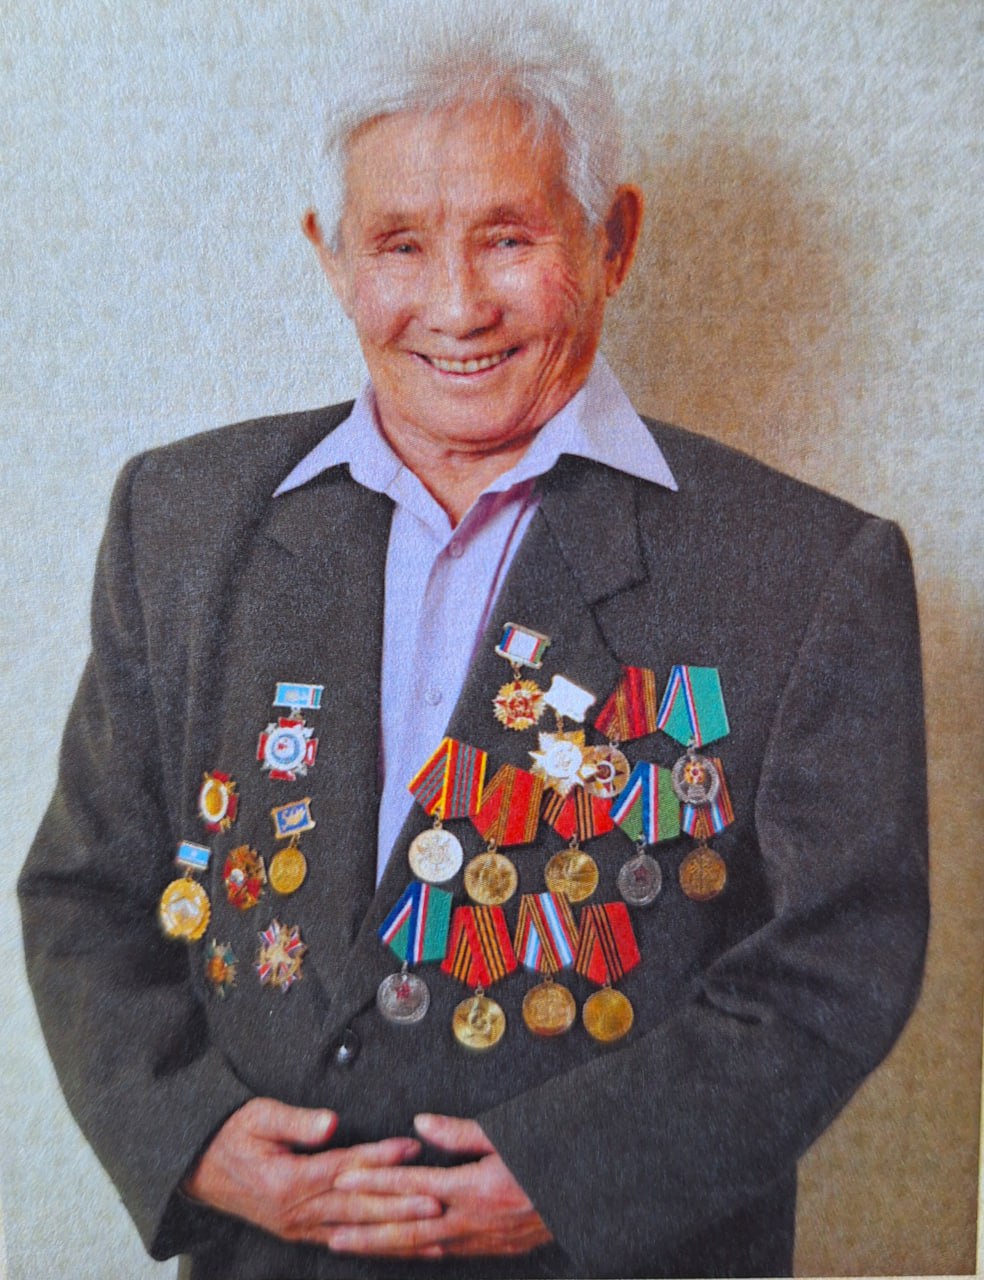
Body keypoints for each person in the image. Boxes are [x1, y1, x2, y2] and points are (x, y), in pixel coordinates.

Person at [18, 6, 928, 1278]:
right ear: (331, 256)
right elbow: (84, 892)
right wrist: (192, 1138)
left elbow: (841, 957)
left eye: (508, 238)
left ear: (612, 241)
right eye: (399, 243)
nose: (456, 307)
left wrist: (575, 1178)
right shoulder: (179, 520)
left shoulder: (807, 568)